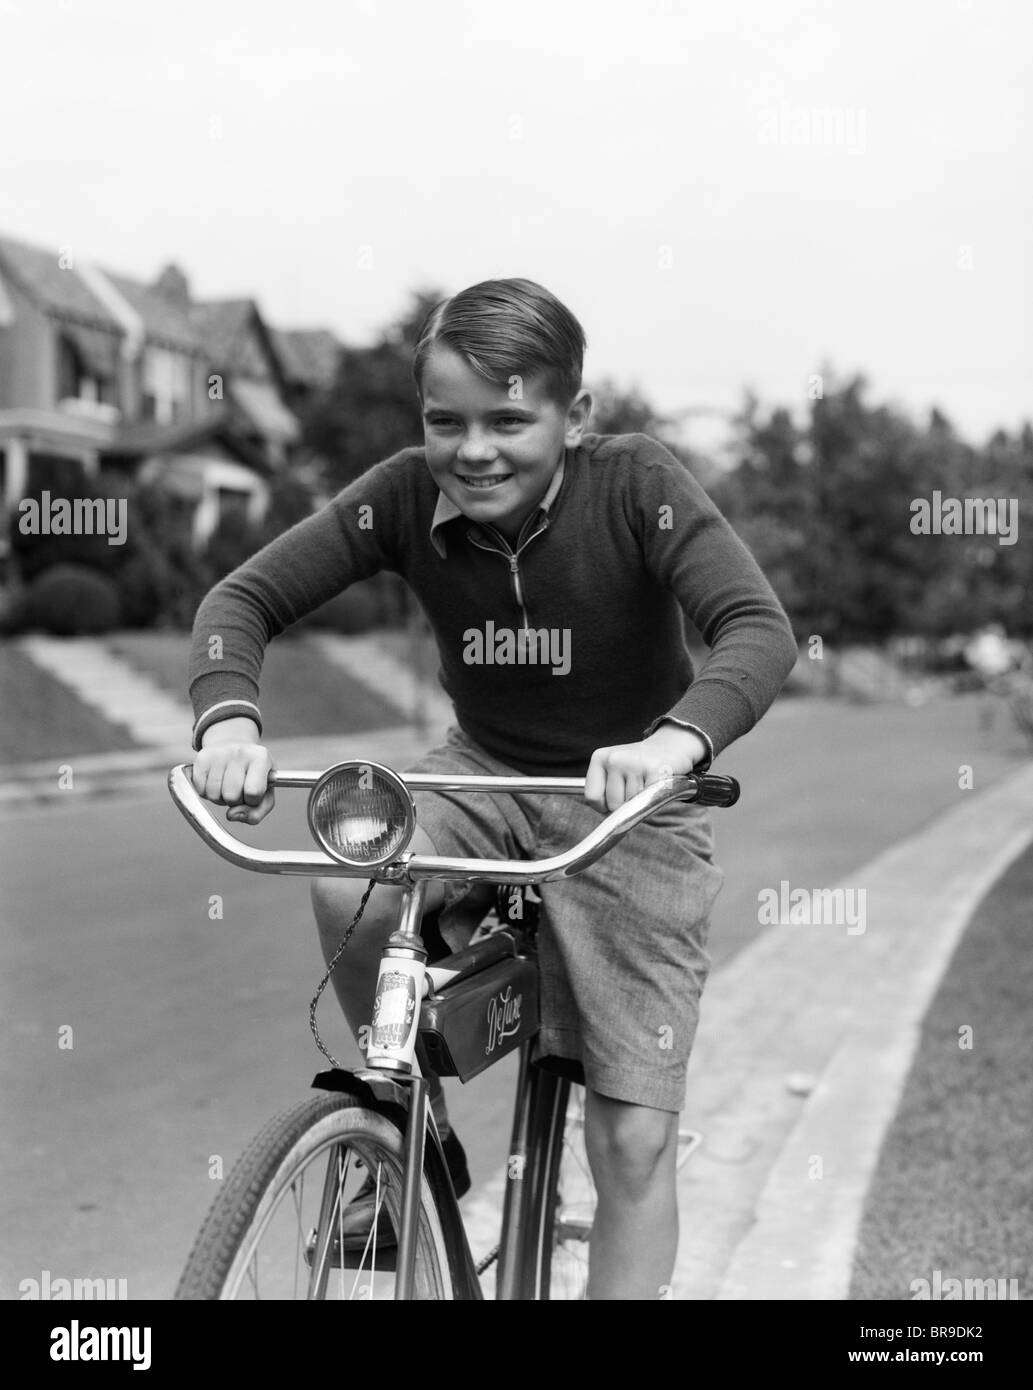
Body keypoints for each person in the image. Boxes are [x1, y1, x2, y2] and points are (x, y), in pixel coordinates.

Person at [187, 277, 798, 1299]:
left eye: (510, 420)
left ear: (576, 417)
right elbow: (240, 599)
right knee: (348, 877)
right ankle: (409, 1127)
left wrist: (673, 743)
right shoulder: (400, 495)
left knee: (633, 1140)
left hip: (630, 798)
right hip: (484, 770)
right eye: (445, 421)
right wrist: (229, 719)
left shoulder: (636, 482)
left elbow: (758, 630)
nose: (474, 450)